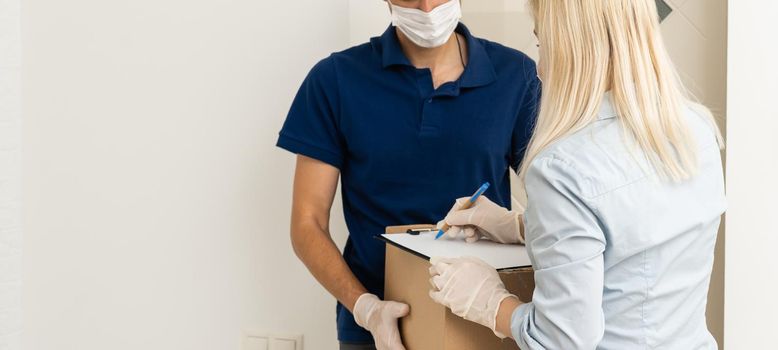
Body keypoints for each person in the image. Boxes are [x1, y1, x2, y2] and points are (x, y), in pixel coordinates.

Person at [429, 0, 726, 349]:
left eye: (542, 44)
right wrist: (520, 227)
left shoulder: (562, 168)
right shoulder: (697, 129)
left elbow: (564, 340)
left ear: (572, 48)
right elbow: (637, 233)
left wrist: (489, 301)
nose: (539, 68)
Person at [276, 0, 540, 348]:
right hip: (376, 326)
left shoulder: (515, 76)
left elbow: (555, 208)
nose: (428, 7)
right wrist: (365, 308)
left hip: (484, 316)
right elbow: (307, 223)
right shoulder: (335, 80)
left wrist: (512, 226)